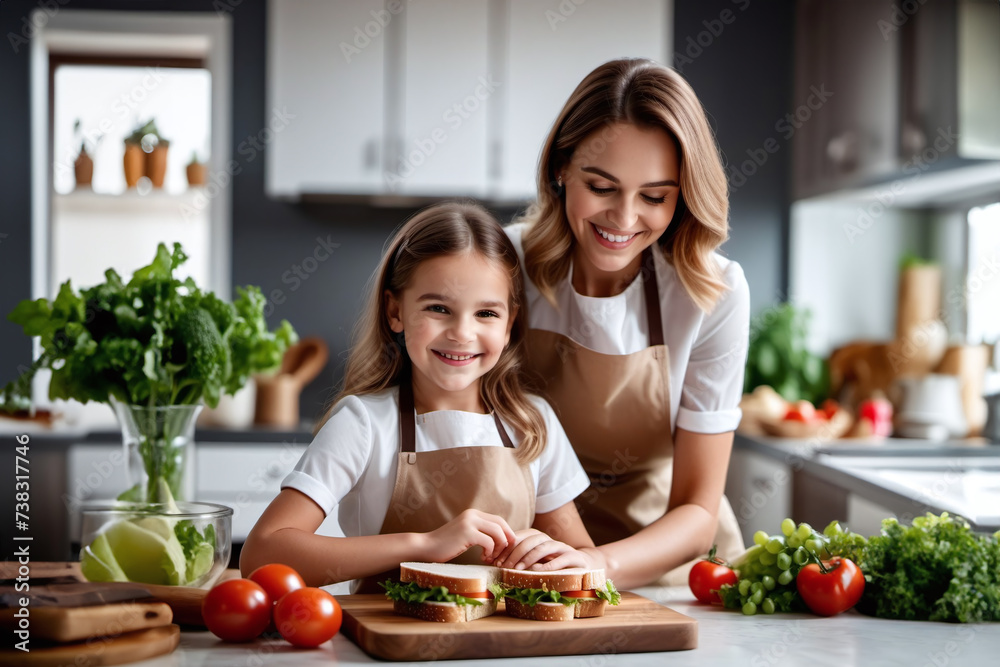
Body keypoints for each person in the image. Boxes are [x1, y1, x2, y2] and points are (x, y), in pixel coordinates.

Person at [241, 202, 593, 590]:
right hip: (386, 643)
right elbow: (261, 555)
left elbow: (577, 555)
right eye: (438, 308)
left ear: (510, 322)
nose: (462, 333)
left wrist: (555, 556)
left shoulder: (533, 424)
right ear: (395, 311)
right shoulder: (363, 424)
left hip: (504, 646)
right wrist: (424, 545)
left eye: (486, 314)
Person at [500, 58, 750, 589]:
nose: (624, 217)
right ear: (561, 168)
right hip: (529, 561)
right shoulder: (504, 265)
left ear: (682, 195)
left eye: (654, 197)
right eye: (602, 186)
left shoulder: (711, 294)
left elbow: (697, 509)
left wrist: (599, 565)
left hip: (669, 574)